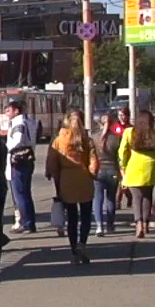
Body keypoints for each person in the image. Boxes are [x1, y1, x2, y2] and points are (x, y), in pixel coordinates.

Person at [45, 110, 100, 265]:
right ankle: (82, 242)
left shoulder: (59, 141)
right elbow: (94, 161)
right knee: (86, 214)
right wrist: (91, 174)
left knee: (72, 217)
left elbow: (52, 163)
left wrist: (55, 177)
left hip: (66, 179)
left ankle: (74, 251)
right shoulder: (86, 140)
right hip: (83, 178)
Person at [118, 109, 155, 239]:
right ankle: (145, 224)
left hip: (134, 168)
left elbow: (122, 151)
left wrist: (123, 165)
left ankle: (138, 223)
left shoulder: (129, 132)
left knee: (136, 198)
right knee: (147, 197)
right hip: (150, 169)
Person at [4, 99, 38, 233]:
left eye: (8, 110)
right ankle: (29, 221)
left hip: (18, 161)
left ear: (16, 111)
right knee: (25, 192)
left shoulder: (18, 123)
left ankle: (26, 223)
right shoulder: (30, 121)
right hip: (27, 159)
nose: (7, 113)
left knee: (19, 194)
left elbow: (18, 140)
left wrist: (6, 148)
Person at [93, 111, 123, 235]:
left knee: (97, 199)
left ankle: (99, 226)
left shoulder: (93, 137)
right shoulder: (116, 138)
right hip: (113, 171)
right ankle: (110, 225)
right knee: (111, 199)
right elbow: (121, 156)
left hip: (98, 171)